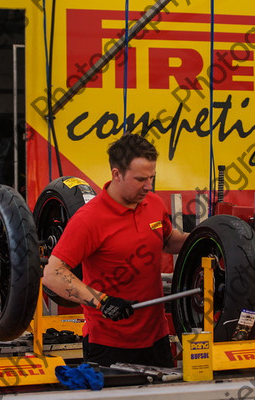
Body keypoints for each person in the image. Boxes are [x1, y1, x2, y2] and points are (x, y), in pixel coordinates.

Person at [42, 134, 189, 367]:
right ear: (116, 174)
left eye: (152, 177)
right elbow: (52, 274)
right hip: (108, 344)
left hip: (157, 338)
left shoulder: (154, 203)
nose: (149, 186)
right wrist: (102, 302)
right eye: (141, 179)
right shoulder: (89, 220)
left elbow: (169, 240)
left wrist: (213, 236)